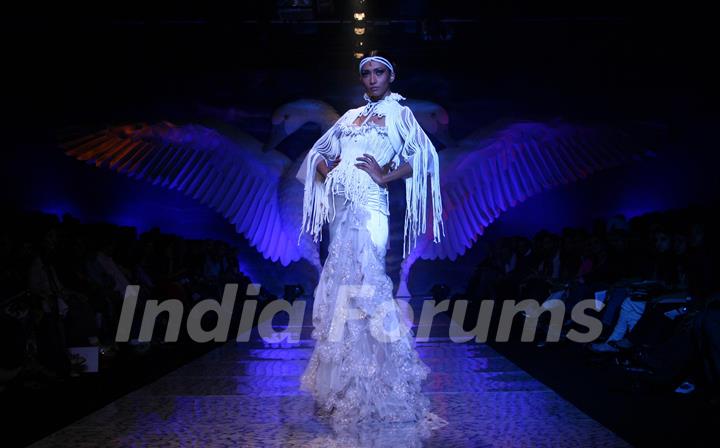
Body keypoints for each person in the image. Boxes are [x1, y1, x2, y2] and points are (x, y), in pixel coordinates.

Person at [296, 50, 449, 437]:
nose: (372, 79)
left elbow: (425, 157)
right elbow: (318, 151)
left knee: (368, 287)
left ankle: (383, 386)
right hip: (342, 210)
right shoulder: (348, 118)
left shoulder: (400, 114)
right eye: (366, 73)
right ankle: (348, 386)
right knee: (339, 288)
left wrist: (386, 176)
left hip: (370, 207)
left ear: (390, 77)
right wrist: (328, 169)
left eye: (379, 72)